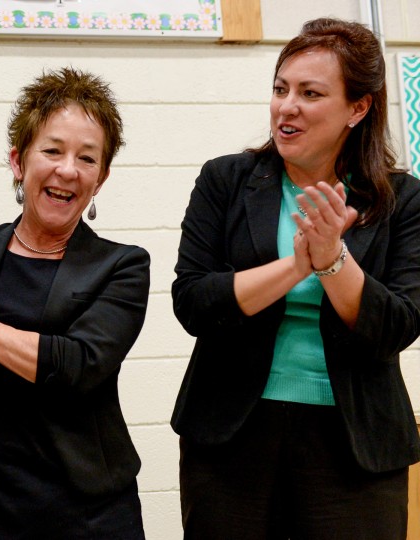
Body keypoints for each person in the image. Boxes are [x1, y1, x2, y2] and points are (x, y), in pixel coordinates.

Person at [171, 17, 420, 540]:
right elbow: (194, 302)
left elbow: (397, 325)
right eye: (281, 89)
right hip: (232, 436)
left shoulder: (403, 200)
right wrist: (298, 266)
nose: (287, 107)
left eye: (310, 93)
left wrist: (332, 259)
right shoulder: (226, 180)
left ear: (359, 107)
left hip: (354, 443)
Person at [0, 67, 150, 539]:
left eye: (87, 159)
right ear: (18, 161)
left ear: (101, 178)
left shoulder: (123, 267)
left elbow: (78, 365)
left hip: (88, 514)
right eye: (52, 150)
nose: (68, 170)